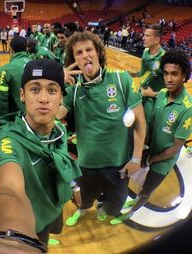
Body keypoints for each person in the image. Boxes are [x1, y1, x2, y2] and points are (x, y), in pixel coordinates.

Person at [0, 59, 82, 253]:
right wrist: (11, 238)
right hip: (32, 223)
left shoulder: (59, 128)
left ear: (61, 98)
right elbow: (9, 189)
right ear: (22, 95)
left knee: (53, 228)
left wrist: (72, 184)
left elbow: (62, 158)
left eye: (52, 90)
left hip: (54, 204)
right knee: (42, 240)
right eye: (35, 89)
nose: (43, 98)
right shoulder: (8, 140)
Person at [57, 31, 146, 226]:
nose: (85, 55)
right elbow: (52, 116)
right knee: (83, 201)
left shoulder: (121, 80)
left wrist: (136, 158)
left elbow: (140, 121)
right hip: (86, 165)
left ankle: (103, 209)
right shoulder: (73, 91)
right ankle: (83, 210)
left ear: (98, 52)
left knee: (113, 207)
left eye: (89, 49)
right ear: (74, 61)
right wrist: (56, 82)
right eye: (79, 53)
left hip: (119, 165)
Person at [110, 48, 192, 224]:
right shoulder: (162, 95)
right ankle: (136, 199)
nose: (169, 79)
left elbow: (176, 147)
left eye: (174, 74)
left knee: (147, 190)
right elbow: (152, 124)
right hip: (150, 151)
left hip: (162, 161)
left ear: (184, 75)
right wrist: (144, 147)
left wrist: (152, 160)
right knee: (135, 180)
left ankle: (132, 211)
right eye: (166, 73)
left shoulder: (187, 108)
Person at [0, 36, 30, 117]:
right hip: (38, 118)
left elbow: (1, 100)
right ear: (27, 49)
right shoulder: (37, 64)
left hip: (18, 120)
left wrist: (3, 120)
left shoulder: (5, 70)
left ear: (11, 50)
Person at [138, 24, 165, 131]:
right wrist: (141, 89)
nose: (143, 38)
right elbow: (143, 74)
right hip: (141, 95)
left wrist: (153, 94)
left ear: (157, 39)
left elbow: (174, 88)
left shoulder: (164, 59)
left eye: (147, 35)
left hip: (155, 101)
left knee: (146, 129)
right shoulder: (145, 52)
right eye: (144, 35)